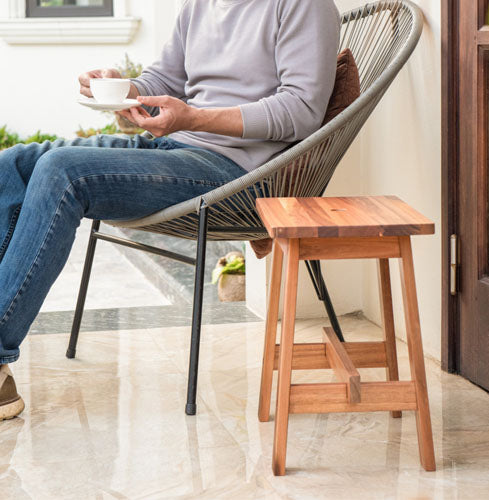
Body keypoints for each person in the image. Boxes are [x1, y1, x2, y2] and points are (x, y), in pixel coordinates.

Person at [0, 0, 341, 421]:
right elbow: (165, 79)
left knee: (62, 171)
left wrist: (194, 119)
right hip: (176, 150)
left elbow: (301, 111)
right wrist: (123, 87)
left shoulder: (303, 6)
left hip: (238, 174)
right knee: (12, 164)